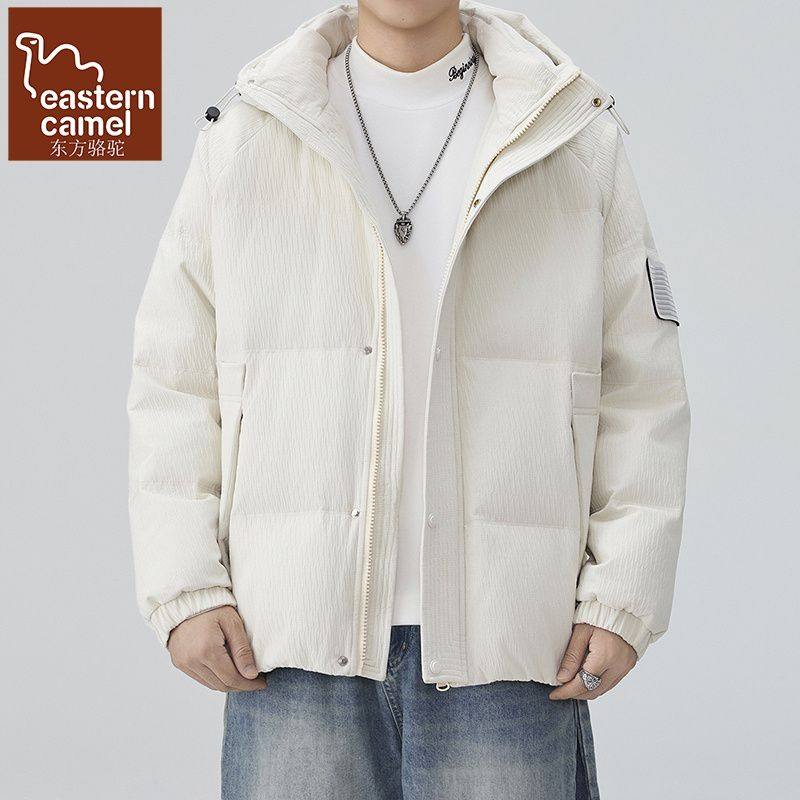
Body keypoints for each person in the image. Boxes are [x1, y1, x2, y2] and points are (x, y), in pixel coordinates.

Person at [127, 2, 690, 797]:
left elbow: (643, 386)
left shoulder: (570, 136)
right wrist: (185, 586)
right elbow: (173, 379)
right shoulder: (249, 135)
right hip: (290, 641)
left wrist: (624, 594)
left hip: (509, 646)